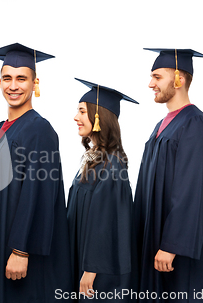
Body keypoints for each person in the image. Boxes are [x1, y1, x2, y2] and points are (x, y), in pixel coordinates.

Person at [0, 43, 72, 302]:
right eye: (7, 78)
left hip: (20, 249)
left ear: (35, 83)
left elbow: (40, 192)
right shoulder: (0, 129)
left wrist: (21, 250)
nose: (13, 86)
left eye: (22, 79)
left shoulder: (40, 130)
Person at [134, 48, 203, 302]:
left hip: (177, 252)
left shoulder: (196, 124)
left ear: (179, 79)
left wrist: (172, 245)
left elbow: (193, 190)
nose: (150, 83)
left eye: (157, 77)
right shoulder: (162, 125)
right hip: (155, 241)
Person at [67, 78, 139, 302]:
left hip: (99, 272)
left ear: (98, 117)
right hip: (84, 261)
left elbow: (107, 222)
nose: (75, 117)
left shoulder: (112, 164)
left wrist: (90, 269)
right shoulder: (95, 159)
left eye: (81, 111)